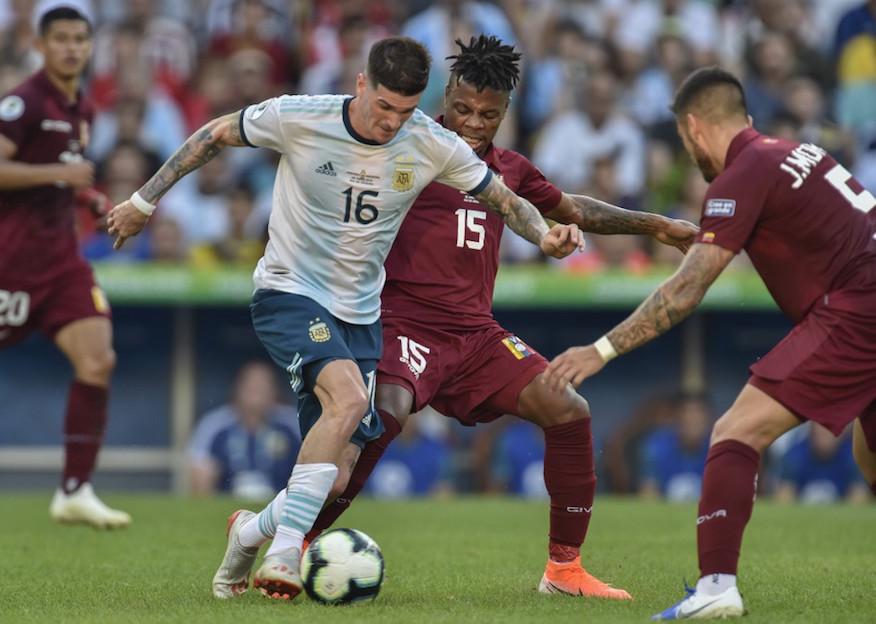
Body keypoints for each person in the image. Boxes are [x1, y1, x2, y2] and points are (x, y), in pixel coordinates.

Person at [106, 36, 582, 600]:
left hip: (359, 314)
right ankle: (285, 553)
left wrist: (544, 234)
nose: (391, 123)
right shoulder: (301, 116)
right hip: (291, 293)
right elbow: (213, 135)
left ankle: (249, 532)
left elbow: (505, 200)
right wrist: (142, 201)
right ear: (361, 84)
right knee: (351, 400)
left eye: (405, 111)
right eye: (383, 106)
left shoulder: (430, 142)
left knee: (337, 473)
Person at [303, 35, 698, 600]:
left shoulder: (510, 169)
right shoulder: (409, 145)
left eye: (487, 115)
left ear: (506, 112)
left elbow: (573, 209)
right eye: (462, 108)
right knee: (384, 413)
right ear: (446, 97)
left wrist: (655, 225)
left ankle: (564, 570)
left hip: (475, 336)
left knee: (568, 407)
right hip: (404, 323)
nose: (472, 123)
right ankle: (294, 541)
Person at [546, 66, 876, 619]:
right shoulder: (799, 153)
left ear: (694, 128)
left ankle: (717, 588)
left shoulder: (741, 175)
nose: (688, 151)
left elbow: (685, 291)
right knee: (871, 456)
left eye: (683, 139)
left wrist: (599, 350)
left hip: (857, 309)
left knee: (735, 431)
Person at [0, 6, 129, 529]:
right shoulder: (23, 102)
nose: (71, 48)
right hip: (9, 264)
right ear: (40, 46)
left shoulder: (82, 108)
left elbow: (63, 177)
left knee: (98, 361)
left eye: (80, 39)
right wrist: (60, 174)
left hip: (62, 261)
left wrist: (88, 197)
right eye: (60, 39)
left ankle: (75, 489)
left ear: (90, 47)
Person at [189, 361, 299, 498]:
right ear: (238, 389)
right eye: (251, 386)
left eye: (263, 386)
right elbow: (199, 471)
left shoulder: (293, 423)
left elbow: (312, 465)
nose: (257, 392)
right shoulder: (214, 424)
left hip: (280, 503)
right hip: (227, 504)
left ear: (275, 391)